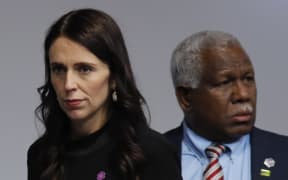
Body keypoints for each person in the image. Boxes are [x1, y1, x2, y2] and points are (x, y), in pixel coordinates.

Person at [27, 8, 182, 180]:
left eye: (84, 69)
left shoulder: (152, 152)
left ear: (114, 77)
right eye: (58, 69)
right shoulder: (41, 155)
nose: (68, 84)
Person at [165, 30, 288, 180]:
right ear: (186, 98)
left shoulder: (283, 153)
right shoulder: (146, 158)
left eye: (248, 79)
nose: (243, 95)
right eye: (224, 83)